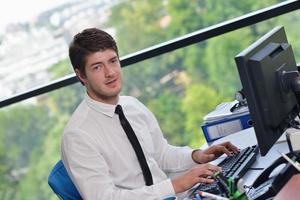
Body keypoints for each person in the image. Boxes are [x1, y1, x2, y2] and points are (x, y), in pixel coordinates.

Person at [61, 28, 239, 200]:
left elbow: (161, 155)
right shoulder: (78, 136)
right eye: (97, 67)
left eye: (113, 61)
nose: (110, 73)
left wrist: (197, 156)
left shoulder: (132, 106)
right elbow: (105, 198)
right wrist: (175, 185)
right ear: (81, 75)